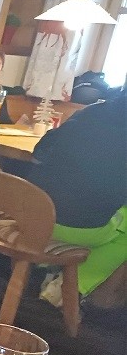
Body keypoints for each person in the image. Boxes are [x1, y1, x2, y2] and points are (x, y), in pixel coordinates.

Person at [28, 89, 127, 309]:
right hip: (78, 226)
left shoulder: (92, 111)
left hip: (34, 213)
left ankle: (55, 270)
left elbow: (38, 153)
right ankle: (74, 287)